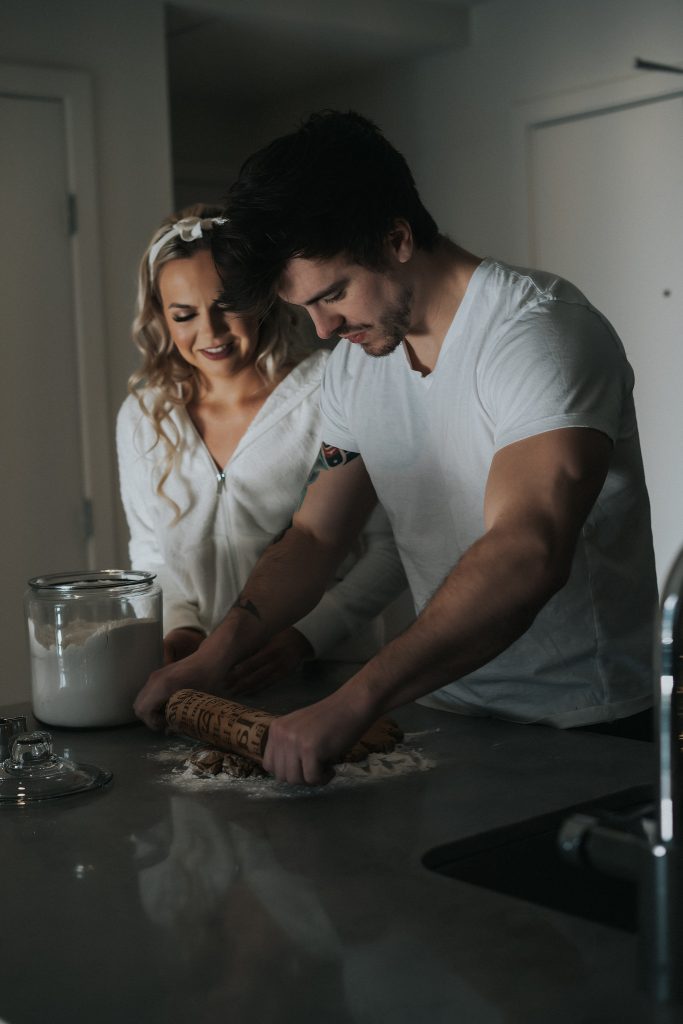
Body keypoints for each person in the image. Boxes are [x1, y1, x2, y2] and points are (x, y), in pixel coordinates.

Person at [134, 114, 658, 784]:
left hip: (588, 725)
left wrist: (353, 699)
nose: (323, 327)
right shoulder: (360, 361)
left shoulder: (540, 337)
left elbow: (527, 552)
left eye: (333, 295)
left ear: (398, 237)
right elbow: (316, 535)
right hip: (451, 712)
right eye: (305, 309)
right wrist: (217, 654)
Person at [117, 203, 407, 695]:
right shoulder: (146, 416)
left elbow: (391, 550)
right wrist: (182, 630)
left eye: (227, 305)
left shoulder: (327, 391)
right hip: (207, 681)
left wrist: (305, 636)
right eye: (184, 315)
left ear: (260, 299)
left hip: (329, 674)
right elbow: (149, 555)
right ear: (160, 318)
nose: (209, 334)